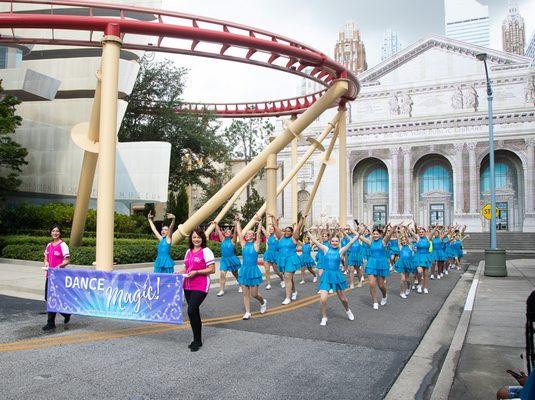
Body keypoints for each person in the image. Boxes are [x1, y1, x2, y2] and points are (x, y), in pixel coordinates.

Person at [307, 227, 358, 326]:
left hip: (336, 275)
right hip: (326, 275)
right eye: (333, 241)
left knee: (343, 298)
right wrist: (308, 233)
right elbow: (314, 241)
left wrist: (358, 235)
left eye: (336, 241)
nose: (334, 242)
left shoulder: (341, 251)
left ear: (338, 242)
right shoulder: (326, 249)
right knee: (323, 298)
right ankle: (324, 317)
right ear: (330, 242)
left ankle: (347, 310)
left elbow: (350, 243)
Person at [182, 227, 216, 352]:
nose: (196, 239)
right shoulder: (188, 251)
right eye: (194, 237)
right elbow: (187, 269)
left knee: (191, 310)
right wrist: (178, 274)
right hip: (187, 284)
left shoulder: (206, 251)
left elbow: (212, 269)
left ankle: (197, 340)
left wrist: (196, 272)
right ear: (191, 238)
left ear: (202, 238)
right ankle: (197, 339)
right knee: (193, 312)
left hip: (201, 285)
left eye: (199, 237)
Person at [359, 223, 399, 309]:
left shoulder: (383, 242)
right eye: (374, 234)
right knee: (371, 283)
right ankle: (375, 301)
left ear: (380, 235)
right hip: (372, 263)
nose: (375, 235)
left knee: (381, 285)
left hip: (381, 264)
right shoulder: (370, 242)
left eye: (377, 234)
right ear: (372, 235)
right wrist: (357, 228)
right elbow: (359, 236)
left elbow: (389, 234)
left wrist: (395, 226)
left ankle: (384, 295)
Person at [235, 216, 267, 320]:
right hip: (244, 270)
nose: (247, 235)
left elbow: (258, 234)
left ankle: (263, 302)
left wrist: (260, 222)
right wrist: (238, 222)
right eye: (247, 234)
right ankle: (247, 312)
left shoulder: (256, 245)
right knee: (245, 294)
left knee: (254, 294)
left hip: (253, 271)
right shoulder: (243, 244)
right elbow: (240, 233)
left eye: (249, 234)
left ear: (253, 237)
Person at [270, 213, 305, 305]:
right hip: (282, 259)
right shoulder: (280, 237)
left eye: (288, 231)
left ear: (292, 232)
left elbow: (298, 229)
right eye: (285, 231)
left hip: (291, 259)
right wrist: (273, 217)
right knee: (289, 278)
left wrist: (302, 220)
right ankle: (294, 291)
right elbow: (276, 227)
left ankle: (287, 298)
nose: (286, 232)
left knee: (287, 277)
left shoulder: (294, 238)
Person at [42, 225, 71, 331]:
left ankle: (51, 323)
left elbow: (67, 260)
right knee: (47, 298)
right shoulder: (49, 245)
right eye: (53, 231)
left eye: (57, 231)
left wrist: (60, 266)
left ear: (60, 233)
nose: (55, 233)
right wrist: (46, 263)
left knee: (52, 298)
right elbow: (46, 257)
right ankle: (66, 313)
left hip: (58, 277)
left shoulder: (63, 245)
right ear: (51, 233)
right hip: (49, 276)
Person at [211, 221, 241, 297]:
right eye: (226, 232)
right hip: (224, 260)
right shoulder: (222, 240)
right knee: (222, 274)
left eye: (229, 232)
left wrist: (237, 224)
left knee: (236, 274)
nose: (227, 232)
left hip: (232, 260)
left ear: (231, 234)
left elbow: (235, 232)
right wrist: (216, 224)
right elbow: (219, 231)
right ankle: (221, 290)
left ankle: (241, 285)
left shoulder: (232, 241)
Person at [409, 225, 437, 294]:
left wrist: (436, 226)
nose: (421, 233)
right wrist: (407, 227)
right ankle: (419, 285)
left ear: (425, 233)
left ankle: (425, 287)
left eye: (422, 232)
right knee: (419, 271)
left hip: (426, 256)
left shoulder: (428, 238)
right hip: (418, 256)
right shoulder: (418, 238)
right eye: (420, 232)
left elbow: (433, 232)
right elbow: (411, 232)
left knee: (425, 274)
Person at [261, 219, 284, 290]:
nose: (270, 230)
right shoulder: (268, 236)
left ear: (274, 230)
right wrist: (259, 221)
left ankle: (283, 280)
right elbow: (262, 228)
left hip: (275, 255)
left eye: (271, 229)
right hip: (268, 254)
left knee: (277, 271)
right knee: (267, 270)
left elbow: (278, 229)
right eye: (269, 229)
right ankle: (268, 284)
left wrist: (276, 222)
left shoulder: (277, 237)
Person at [394, 227, 415, 299]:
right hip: (401, 263)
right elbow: (398, 239)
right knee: (403, 279)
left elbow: (407, 238)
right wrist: (397, 232)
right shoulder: (400, 246)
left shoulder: (409, 246)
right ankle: (401, 292)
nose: (404, 241)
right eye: (402, 240)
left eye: (405, 240)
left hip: (408, 263)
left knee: (408, 279)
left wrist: (405, 231)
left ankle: (408, 287)